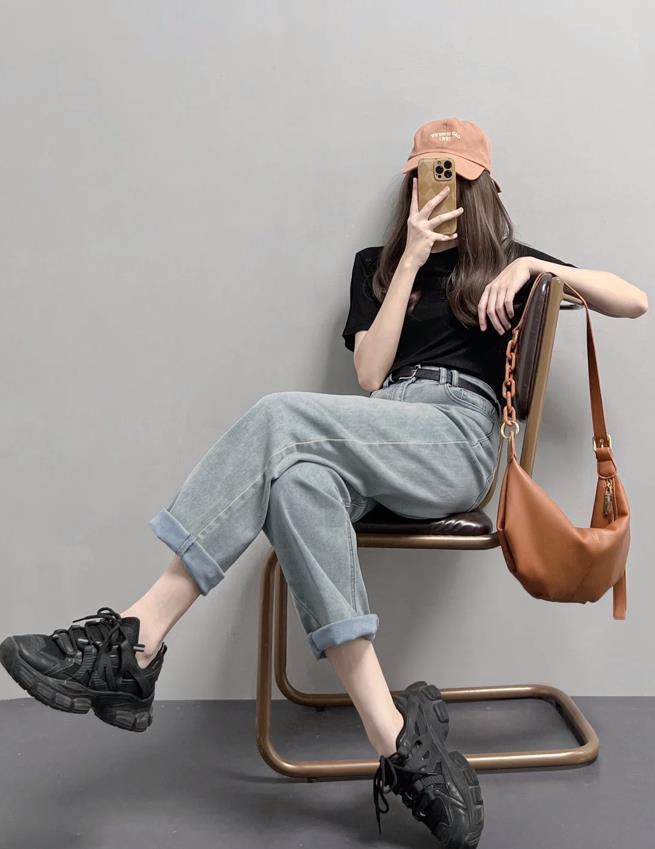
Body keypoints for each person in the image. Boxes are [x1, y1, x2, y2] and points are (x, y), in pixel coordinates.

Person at [1, 117, 647, 849]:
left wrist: (534, 270)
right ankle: (395, 738)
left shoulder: (505, 262)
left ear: (481, 189)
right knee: (298, 482)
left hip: (456, 437)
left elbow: (632, 299)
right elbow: (370, 375)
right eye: (426, 174)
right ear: (410, 182)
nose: (438, 188)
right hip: (379, 425)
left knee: (280, 417)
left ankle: (138, 637)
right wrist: (409, 260)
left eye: (455, 178)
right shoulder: (376, 266)